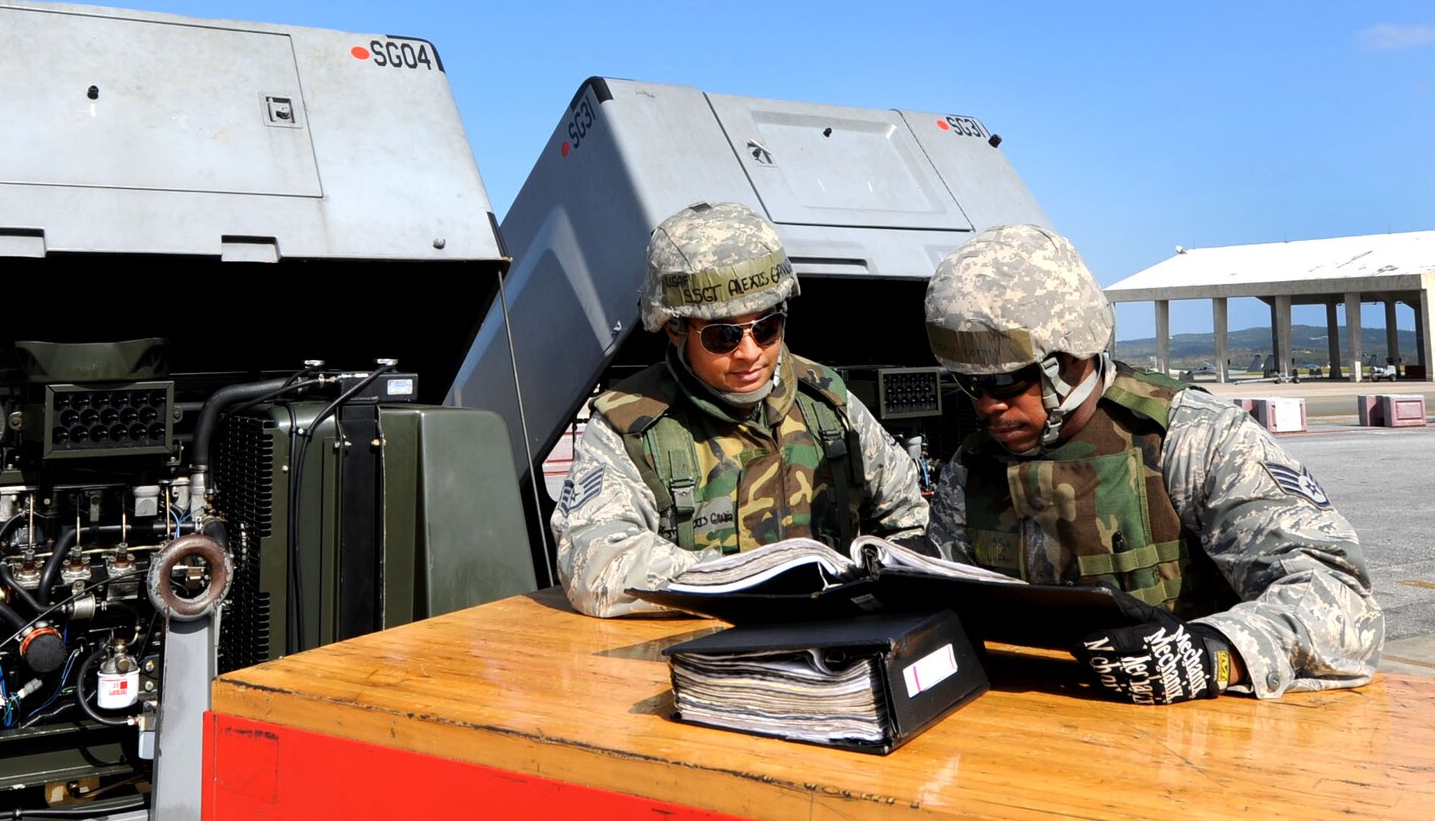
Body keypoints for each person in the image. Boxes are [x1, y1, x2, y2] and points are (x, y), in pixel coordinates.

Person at [922, 223, 1382, 702]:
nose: (987, 405)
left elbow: (1341, 600)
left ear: (1075, 358)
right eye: (969, 383)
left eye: (1009, 381)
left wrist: (1219, 653)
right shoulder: (972, 467)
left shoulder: (1194, 438)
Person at [553, 202, 929, 618]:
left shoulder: (827, 402)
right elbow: (594, 563)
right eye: (723, 336)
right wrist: (741, 580)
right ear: (675, 329)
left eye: (766, 327)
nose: (749, 353)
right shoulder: (632, 428)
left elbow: (909, 519)